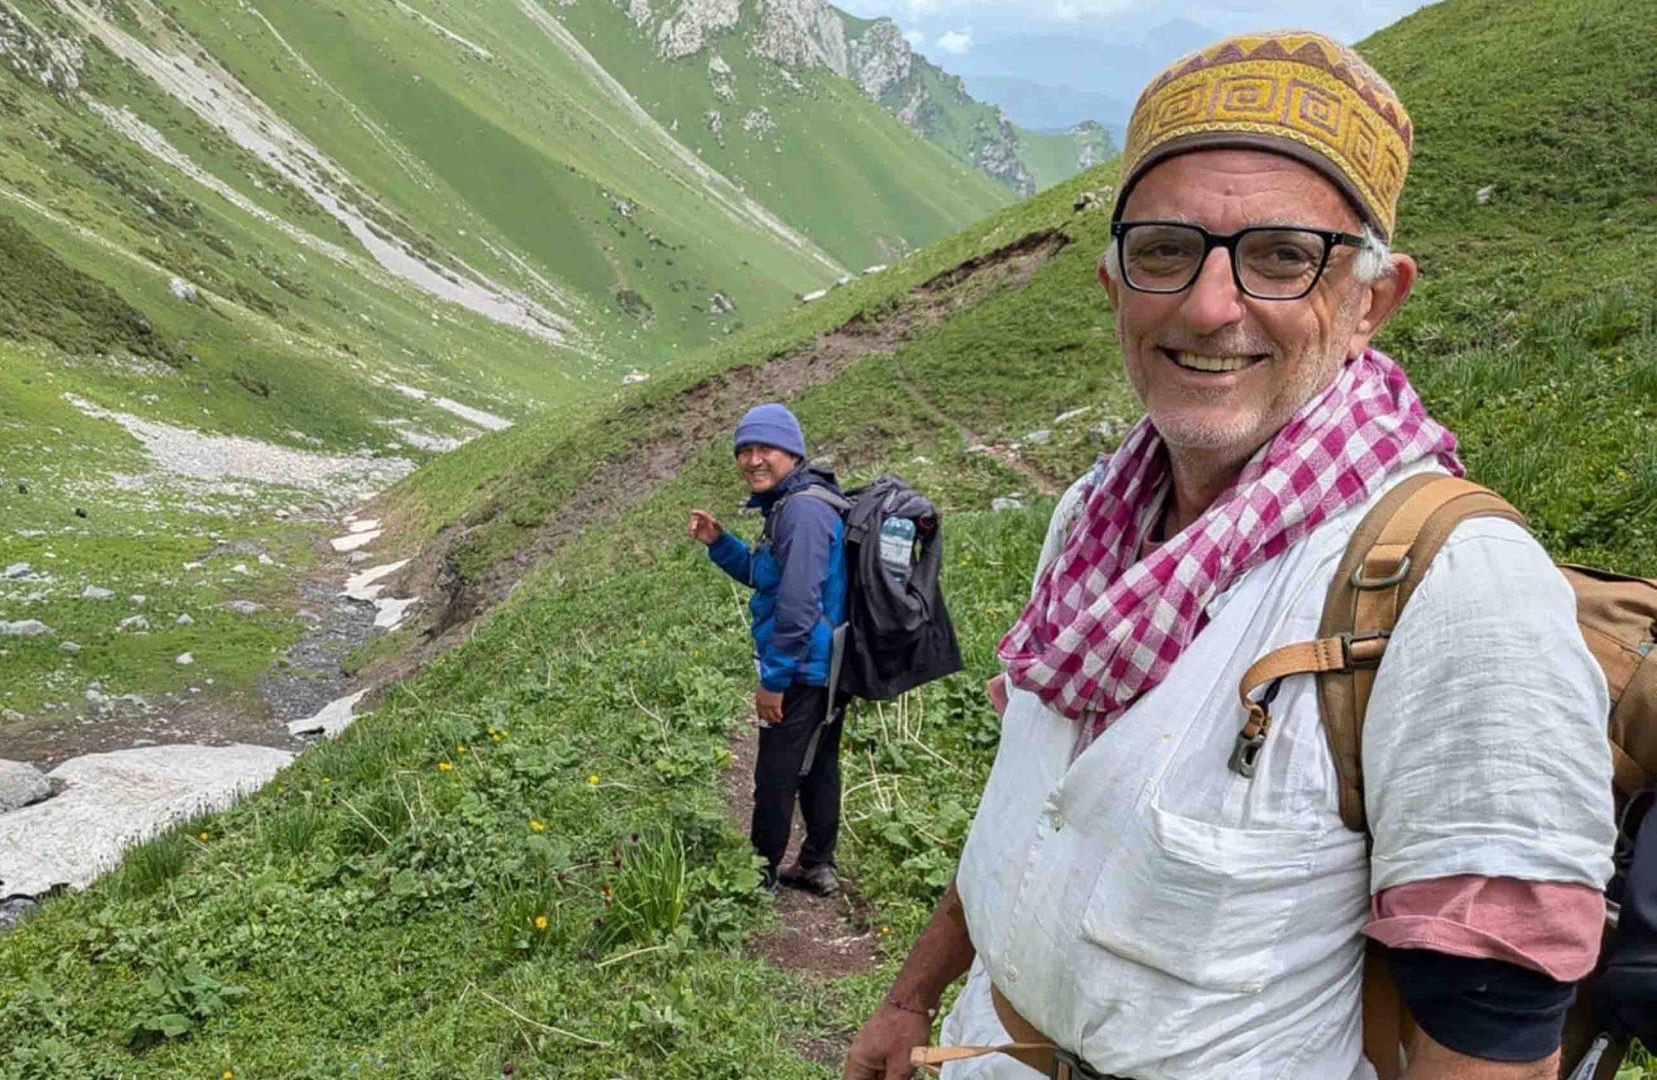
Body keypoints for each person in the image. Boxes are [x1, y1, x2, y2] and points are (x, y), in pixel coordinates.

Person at [843, 31, 1614, 1080]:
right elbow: (1034, 810)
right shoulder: (1093, 517)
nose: (1210, 307)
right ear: (1114, 280)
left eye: (1283, 256)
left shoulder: (1454, 588)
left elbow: (1491, 1025)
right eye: (1166, 249)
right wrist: (911, 997)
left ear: (1369, 302)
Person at [687, 403, 849, 895]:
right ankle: (817, 864)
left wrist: (772, 681)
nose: (753, 460)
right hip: (830, 663)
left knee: (776, 771)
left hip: (803, 667)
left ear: (792, 452)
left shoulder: (800, 511)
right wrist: (720, 543)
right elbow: (769, 578)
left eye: (765, 449)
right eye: (745, 450)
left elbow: (798, 605)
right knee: (819, 762)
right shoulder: (795, 504)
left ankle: (759, 875)